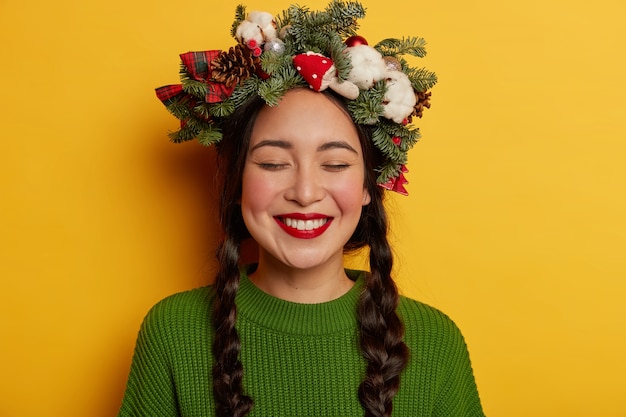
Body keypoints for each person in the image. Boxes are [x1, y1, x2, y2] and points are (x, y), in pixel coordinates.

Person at [118, 2, 485, 416]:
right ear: (236, 181)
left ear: (369, 184)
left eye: (335, 164)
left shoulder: (434, 342)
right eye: (274, 163)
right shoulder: (173, 332)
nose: (306, 192)